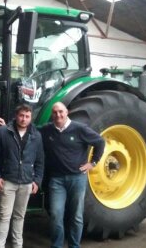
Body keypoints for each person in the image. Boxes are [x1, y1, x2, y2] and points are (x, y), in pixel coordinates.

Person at [41, 102, 105, 248]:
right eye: (55, 112)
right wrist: (7, 124)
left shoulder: (79, 129)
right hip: (56, 180)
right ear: (52, 114)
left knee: (76, 216)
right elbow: (28, 127)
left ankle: (74, 245)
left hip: (77, 179)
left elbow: (100, 142)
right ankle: (57, 245)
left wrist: (93, 163)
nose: (58, 115)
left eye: (61, 112)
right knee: (56, 215)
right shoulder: (47, 130)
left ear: (67, 112)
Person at [0, 104, 45, 248]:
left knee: (20, 217)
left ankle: (17, 245)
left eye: (27, 116)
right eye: (21, 115)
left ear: (31, 117)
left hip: (26, 183)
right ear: (16, 116)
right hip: (7, 182)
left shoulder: (36, 135)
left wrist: (37, 180)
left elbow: (40, 160)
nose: (24, 119)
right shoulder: (3, 132)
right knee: (4, 216)